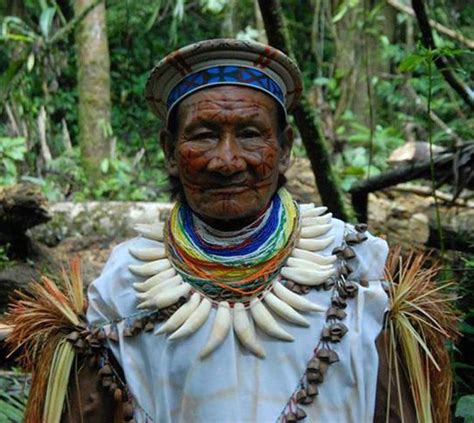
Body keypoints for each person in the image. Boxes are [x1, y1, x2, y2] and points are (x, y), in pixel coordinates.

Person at [9, 39, 455, 423]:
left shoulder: (361, 272)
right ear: (169, 150)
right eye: (203, 135)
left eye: (250, 134)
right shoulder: (123, 287)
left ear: (283, 151)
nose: (227, 160)